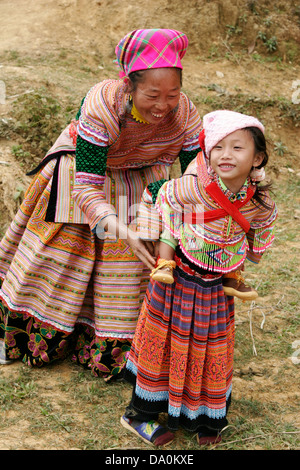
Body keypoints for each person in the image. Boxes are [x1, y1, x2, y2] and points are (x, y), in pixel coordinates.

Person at [0, 29, 202, 381]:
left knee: (127, 272)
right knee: (61, 258)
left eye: (173, 94)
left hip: (141, 178)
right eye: (152, 95)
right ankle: (32, 331)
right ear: (129, 86)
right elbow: (88, 188)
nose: (163, 105)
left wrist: (185, 221)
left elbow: (194, 180)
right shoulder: (101, 106)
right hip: (83, 175)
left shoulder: (185, 116)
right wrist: (123, 230)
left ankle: (128, 345)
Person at [120, 110, 277, 446]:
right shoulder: (193, 187)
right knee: (165, 344)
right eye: (218, 147)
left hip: (218, 288)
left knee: (211, 348)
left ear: (257, 157)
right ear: (208, 153)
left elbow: (263, 225)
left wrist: (253, 249)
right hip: (178, 280)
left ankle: (205, 416)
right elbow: (162, 196)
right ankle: (140, 415)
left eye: (237, 148)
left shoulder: (258, 201)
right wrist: (160, 233)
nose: (226, 155)